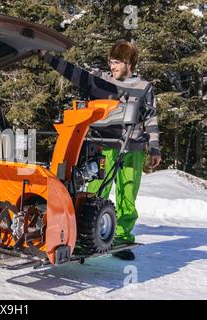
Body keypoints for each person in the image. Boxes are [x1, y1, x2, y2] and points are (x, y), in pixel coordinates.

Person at [39, 40, 162, 260]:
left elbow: (151, 118)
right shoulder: (101, 82)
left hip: (131, 147)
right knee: (94, 191)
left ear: (129, 63)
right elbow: (76, 74)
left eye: (117, 62)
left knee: (127, 193)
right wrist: (48, 57)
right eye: (111, 61)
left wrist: (154, 148)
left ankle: (122, 238)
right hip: (103, 144)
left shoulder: (144, 88)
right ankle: (86, 233)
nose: (113, 66)